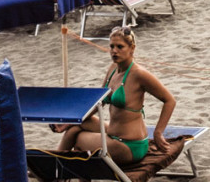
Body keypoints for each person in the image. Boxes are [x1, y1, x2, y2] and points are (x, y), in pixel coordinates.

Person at [54, 28, 176, 165]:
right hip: (113, 133)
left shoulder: (139, 74)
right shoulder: (113, 69)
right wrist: (69, 121)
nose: (114, 51)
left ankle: (53, 170)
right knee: (75, 127)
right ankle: (55, 169)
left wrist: (158, 132)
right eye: (112, 46)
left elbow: (170, 100)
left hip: (129, 145)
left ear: (132, 48)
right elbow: (98, 102)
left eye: (120, 47)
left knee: (77, 139)